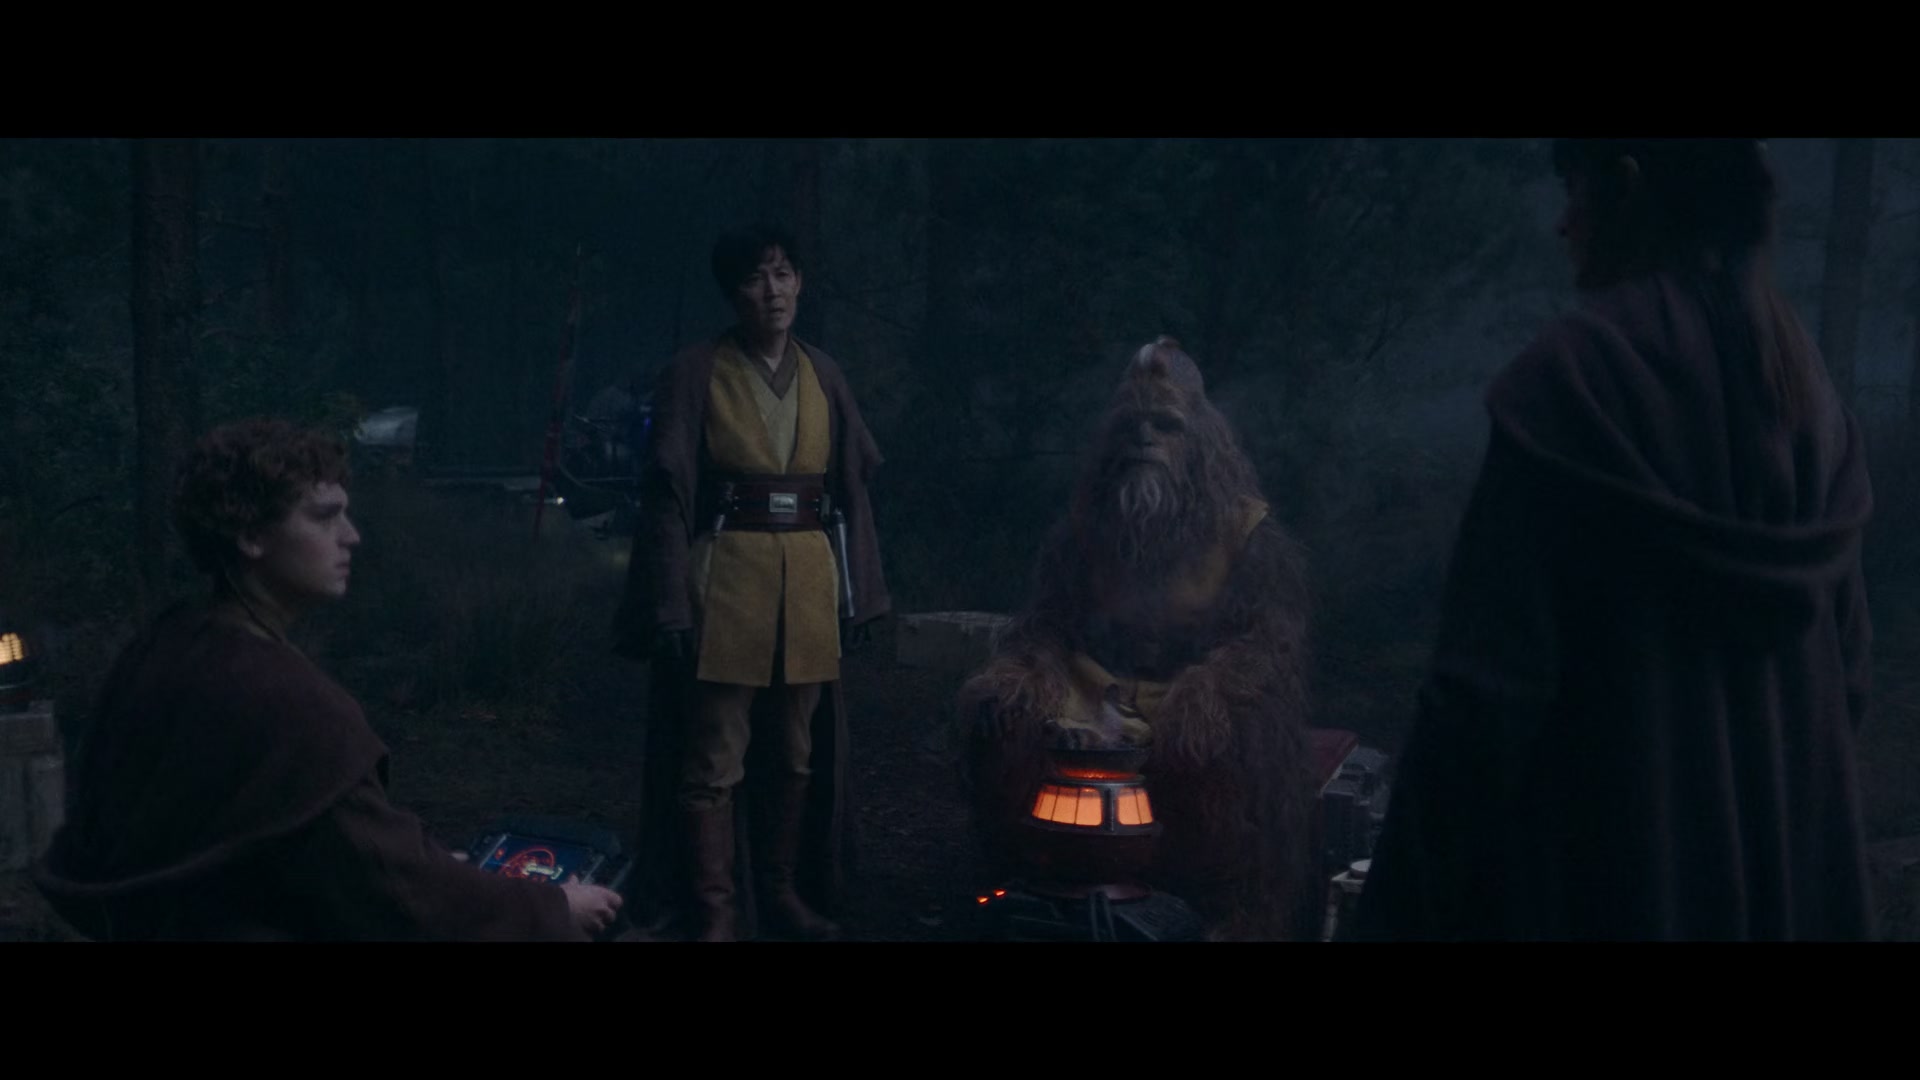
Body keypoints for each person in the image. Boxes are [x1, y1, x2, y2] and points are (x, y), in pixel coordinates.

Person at [1353, 139, 1876, 941]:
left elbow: (1479, 709)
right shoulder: (1803, 388)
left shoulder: (1573, 385)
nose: (1563, 224)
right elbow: (1849, 680)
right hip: (1781, 895)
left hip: (1607, 893)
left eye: (1574, 190)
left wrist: (1392, 917)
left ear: (1625, 188)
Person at [34, 418, 624, 941]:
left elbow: (275, 848)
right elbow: (394, 890)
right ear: (250, 535)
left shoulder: (165, 643)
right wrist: (552, 909)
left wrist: (440, 867)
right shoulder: (285, 700)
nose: (351, 536)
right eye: (323, 517)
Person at [959, 337, 1321, 940]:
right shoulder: (1083, 527)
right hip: (1088, 687)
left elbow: (1267, 644)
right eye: (1133, 426)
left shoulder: (1243, 531)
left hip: (1187, 693)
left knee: (1217, 742)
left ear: (1199, 441)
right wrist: (1020, 679)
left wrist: (1206, 697)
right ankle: (1035, 888)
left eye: (1165, 425)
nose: (1145, 438)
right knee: (1005, 716)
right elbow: (1045, 625)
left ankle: (1222, 907)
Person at [613, 223, 890, 942]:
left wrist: (861, 590)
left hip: (808, 582)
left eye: (784, 273)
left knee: (796, 751)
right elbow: (668, 494)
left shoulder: (824, 373)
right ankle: (717, 911)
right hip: (726, 580)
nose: (773, 290)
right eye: (756, 277)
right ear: (733, 293)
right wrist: (670, 604)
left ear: (800, 282)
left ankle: (781, 893)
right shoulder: (696, 371)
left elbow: (852, 488)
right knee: (714, 755)